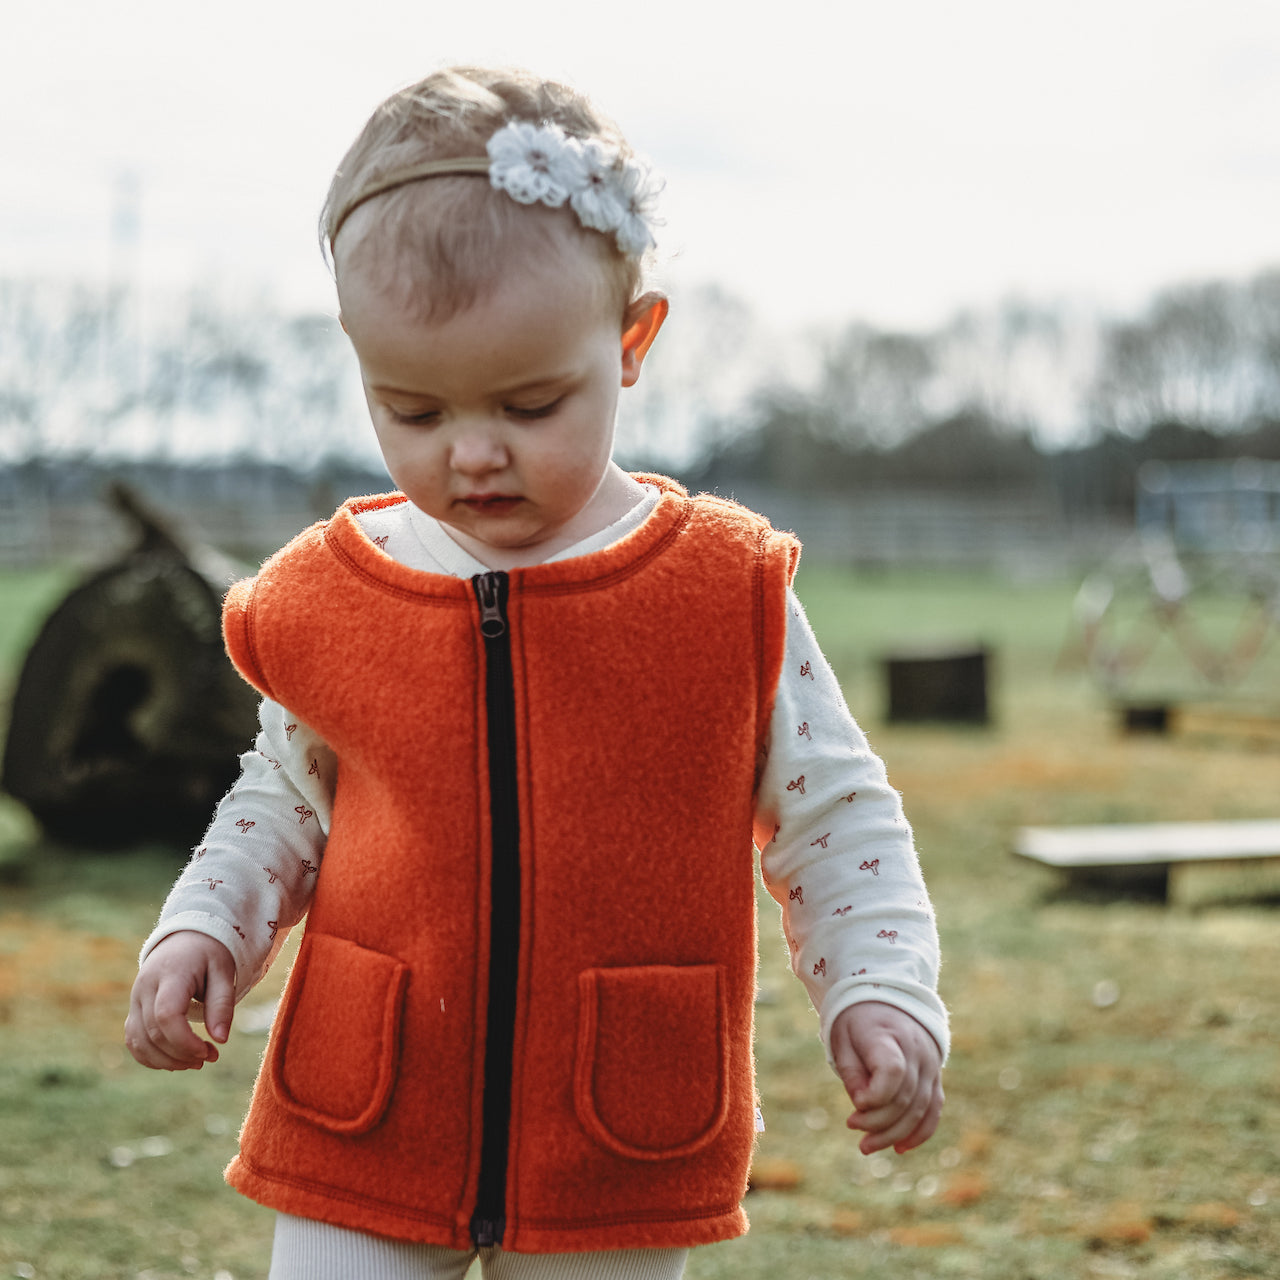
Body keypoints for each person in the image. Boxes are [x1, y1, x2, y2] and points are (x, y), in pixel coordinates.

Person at [125, 65, 948, 1280]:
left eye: (530, 402)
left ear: (630, 342)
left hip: (617, 1123)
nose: (471, 453)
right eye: (409, 408)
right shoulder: (331, 592)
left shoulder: (724, 593)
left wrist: (877, 988)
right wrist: (206, 922)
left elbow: (835, 815)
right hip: (372, 1104)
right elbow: (283, 797)